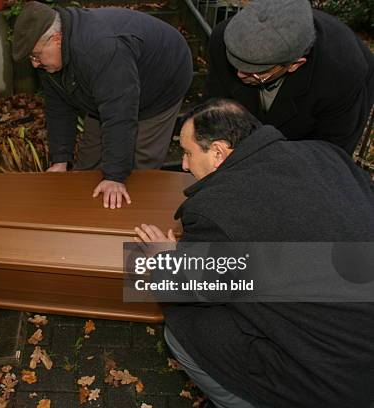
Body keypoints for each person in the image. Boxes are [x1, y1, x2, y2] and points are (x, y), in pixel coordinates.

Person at [135, 99, 374, 407]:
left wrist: (163, 259)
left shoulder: (216, 208)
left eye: (187, 153)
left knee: (182, 327)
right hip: (357, 314)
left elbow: (185, 287)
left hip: (336, 374)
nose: (183, 164)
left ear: (218, 153)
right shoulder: (326, 153)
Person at [12, 1, 193, 209]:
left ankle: (134, 220)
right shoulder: (51, 56)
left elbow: (119, 115)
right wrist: (60, 160)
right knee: (90, 155)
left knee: (140, 164)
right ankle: (81, 216)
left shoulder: (101, 48)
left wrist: (115, 177)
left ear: (57, 39)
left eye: (36, 55)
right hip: (111, 83)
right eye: (31, 58)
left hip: (162, 79)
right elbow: (58, 106)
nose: (34, 63)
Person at [206, 0, 374, 155]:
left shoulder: (341, 76)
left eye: (255, 71)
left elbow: (328, 154)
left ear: (295, 64)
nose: (240, 74)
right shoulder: (226, 39)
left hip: (328, 107)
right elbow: (215, 107)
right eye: (236, 64)